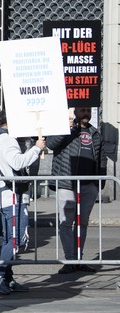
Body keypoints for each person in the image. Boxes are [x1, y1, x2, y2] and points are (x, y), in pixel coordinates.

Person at [0, 110, 44, 294]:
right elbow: (17, 163)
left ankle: (7, 278)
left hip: (4, 195)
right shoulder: (7, 139)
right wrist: (36, 148)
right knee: (16, 238)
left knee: (8, 239)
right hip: (12, 196)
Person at [46, 106, 107, 274]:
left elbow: (101, 159)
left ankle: (78, 259)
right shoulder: (65, 129)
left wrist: (99, 183)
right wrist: (67, 128)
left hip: (88, 185)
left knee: (83, 223)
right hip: (67, 183)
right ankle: (70, 259)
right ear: (75, 113)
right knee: (66, 222)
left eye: (88, 111)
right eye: (82, 110)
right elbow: (51, 144)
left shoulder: (95, 133)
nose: (85, 113)